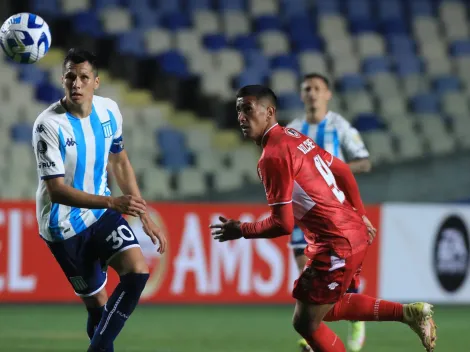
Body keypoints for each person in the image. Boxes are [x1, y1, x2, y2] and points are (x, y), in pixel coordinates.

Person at [210, 85, 436, 352]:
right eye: (238, 110)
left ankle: (409, 314)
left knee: (305, 323)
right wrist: (360, 214)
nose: (241, 118)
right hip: (348, 233)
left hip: (336, 242)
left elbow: (283, 224)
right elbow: (341, 169)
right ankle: (410, 313)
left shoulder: (272, 157)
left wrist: (241, 229)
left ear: (269, 112)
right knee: (324, 309)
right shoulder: (293, 136)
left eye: (248, 109)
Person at [32, 48, 167, 352]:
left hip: (100, 213)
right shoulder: (48, 125)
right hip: (63, 225)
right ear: (62, 80)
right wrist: (112, 203)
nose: (76, 84)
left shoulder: (109, 111)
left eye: (83, 77)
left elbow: (119, 161)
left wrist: (142, 213)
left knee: (138, 272)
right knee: (98, 308)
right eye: (70, 77)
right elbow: (56, 190)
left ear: (96, 82)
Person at [288, 73, 371, 352]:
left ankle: (356, 318)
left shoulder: (339, 126)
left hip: (336, 209)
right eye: (306, 88)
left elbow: (364, 162)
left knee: (339, 277)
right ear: (301, 95)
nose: (311, 93)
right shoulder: (293, 129)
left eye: (317, 88)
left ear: (327, 94)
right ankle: (314, 335)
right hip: (303, 209)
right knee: (307, 272)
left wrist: (331, 170)